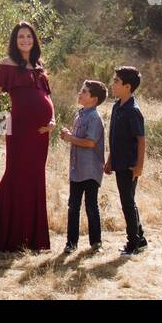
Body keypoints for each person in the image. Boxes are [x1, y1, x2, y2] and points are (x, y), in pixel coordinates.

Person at [0, 21, 54, 252]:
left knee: (35, 179)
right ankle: (0, 235)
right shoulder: (7, 65)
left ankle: (31, 238)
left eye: (29, 36)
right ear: (14, 40)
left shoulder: (40, 67)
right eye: (20, 36)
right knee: (15, 176)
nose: (25, 40)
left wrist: (53, 120)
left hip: (41, 135)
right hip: (19, 131)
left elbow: (49, 98)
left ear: (34, 39)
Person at [105, 66, 148, 256]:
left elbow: (141, 139)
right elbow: (114, 137)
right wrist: (109, 160)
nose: (112, 84)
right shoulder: (116, 107)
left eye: (116, 81)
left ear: (127, 86)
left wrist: (139, 166)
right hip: (118, 162)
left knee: (127, 203)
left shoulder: (133, 111)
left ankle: (134, 243)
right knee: (128, 201)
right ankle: (141, 238)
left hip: (130, 165)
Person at [60, 79, 106, 253]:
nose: (80, 93)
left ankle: (96, 243)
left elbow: (90, 143)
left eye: (84, 92)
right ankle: (71, 243)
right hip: (76, 169)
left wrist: (71, 138)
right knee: (73, 206)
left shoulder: (94, 118)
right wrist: (69, 135)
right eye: (81, 90)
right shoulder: (79, 114)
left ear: (94, 99)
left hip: (91, 170)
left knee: (91, 206)